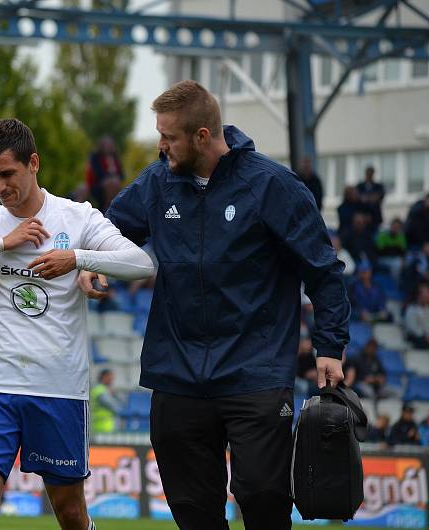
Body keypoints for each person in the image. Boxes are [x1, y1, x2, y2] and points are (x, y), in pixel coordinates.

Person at [79, 80, 350, 530]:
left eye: (169, 136)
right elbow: (111, 231)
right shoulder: (156, 183)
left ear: (202, 136)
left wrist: (329, 346)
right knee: (193, 511)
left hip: (255, 372)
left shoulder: (273, 185)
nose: (160, 145)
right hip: (177, 374)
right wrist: (95, 262)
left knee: (263, 498)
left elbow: (323, 271)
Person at [0, 118, 154, 530]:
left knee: (70, 512)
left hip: (57, 387)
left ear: (34, 163)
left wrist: (79, 259)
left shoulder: (77, 218)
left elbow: (141, 263)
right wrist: (1, 243)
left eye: (7, 174)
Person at [86, 135, 125, 213]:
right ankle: (108, 207)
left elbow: (121, 174)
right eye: (106, 145)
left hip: (115, 183)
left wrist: (115, 177)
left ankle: (114, 207)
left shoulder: (115, 157)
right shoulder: (95, 157)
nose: (108, 147)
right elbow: (98, 173)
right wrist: (111, 177)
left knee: (115, 182)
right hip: (98, 184)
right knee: (111, 183)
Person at [91, 369, 123, 434]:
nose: (112, 380)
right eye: (110, 377)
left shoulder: (104, 390)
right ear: (104, 377)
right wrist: (113, 395)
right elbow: (114, 406)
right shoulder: (99, 390)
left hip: (107, 426)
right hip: (102, 426)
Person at [356, 165, 385, 229]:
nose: (369, 175)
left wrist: (366, 197)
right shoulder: (359, 186)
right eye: (368, 173)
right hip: (362, 219)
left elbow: (379, 196)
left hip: (375, 217)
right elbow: (358, 197)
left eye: (371, 173)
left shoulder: (379, 186)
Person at [405, 283, 429, 348]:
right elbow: (412, 327)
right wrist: (425, 336)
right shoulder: (412, 309)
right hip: (417, 338)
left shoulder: (427, 309)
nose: (427, 297)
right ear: (419, 296)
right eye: (425, 295)